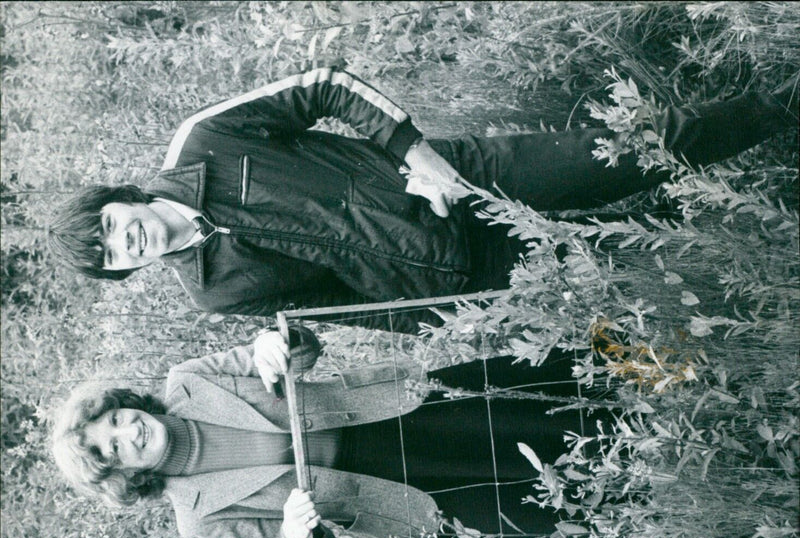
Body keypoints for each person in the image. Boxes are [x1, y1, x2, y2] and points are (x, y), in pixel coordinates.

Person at [48, 67, 798, 330]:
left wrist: (422, 159)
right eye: (112, 255)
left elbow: (325, 85)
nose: (126, 242)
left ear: (119, 199)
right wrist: (449, 315)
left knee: (630, 156)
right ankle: (769, 237)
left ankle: (773, 107)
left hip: (464, 181)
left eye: (111, 227)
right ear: (122, 272)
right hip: (462, 276)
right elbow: (335, 305)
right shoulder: (211, 294)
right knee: (642, 266)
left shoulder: (201, 144)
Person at [52, 324, 613, 538]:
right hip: (395, 496)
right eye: (115, 449)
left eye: (118, 420)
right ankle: (651, 502)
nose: (129, 433)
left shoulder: (188, 379)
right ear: (124, 477)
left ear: (126, 404)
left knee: (537, 408)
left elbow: (303, 349)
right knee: (523, 512)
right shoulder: (199, 518)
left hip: (394, 412)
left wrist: (278, 342)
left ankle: (644, 380)